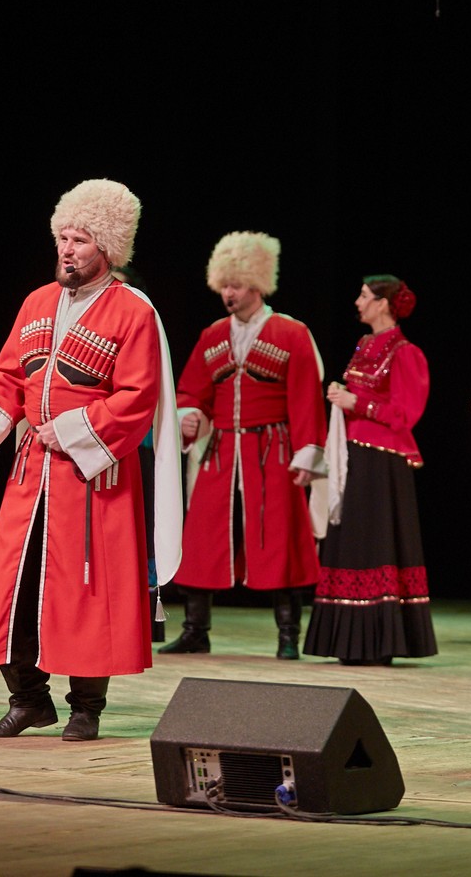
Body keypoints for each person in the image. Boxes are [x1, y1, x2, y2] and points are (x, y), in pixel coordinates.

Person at [0, 179, 180, 742]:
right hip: (32, 473)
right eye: (62, 237)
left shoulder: (133, 311)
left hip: (93, 477)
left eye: (80, 240)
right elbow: (8, 374)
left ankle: (87, 707)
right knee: (13, 586)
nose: (67, 249)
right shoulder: (36, 302)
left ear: (107, 247)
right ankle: (29, 700)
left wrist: (74, 430)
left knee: (87, 592)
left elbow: (137, 397)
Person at [160, 231, 326, 660]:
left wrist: (307, 453)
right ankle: (196, 631)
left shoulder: (292, 332)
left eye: (235, 285)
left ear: (257, 284)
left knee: (281, 539)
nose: (228, 293)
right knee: (203, 537)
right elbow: (190, 390)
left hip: (274, 450)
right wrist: (188, 414)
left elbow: (306, 398)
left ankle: (288, 635)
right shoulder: (212, 334)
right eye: (224, 285)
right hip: (221, 452)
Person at [304, 275, 438, 665]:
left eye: (364, 296)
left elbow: (406, 413)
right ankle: (349, 641)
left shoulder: (405, 352)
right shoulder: (365, 344)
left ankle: (379, 641)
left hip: (381, 461)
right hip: (352, 455)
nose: (358, 302)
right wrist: (343, 399)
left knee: (375, 543)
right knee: (351, 541)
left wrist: (355, 403)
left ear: (382, 303)